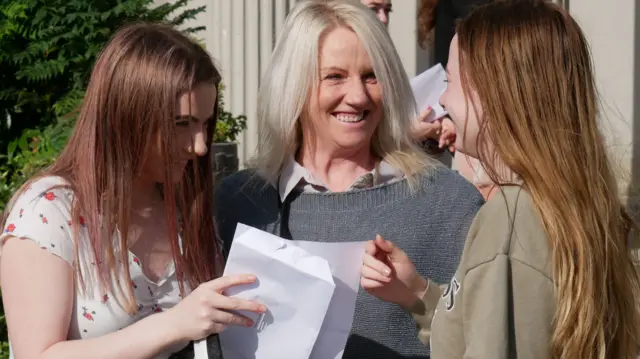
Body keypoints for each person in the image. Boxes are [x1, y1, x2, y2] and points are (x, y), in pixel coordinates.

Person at [361, 1, 640, 358]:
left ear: (494, 93)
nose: (443, 100)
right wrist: (417, 292)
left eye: (451, 81)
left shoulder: (509, 219)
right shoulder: (569, 201)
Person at [214, 1, 484, 358]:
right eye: (335, 76)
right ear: (292, 85)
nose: (357, 97)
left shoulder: (449, 203)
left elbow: (485, 339)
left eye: (372, 76)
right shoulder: (239, 203)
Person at [0, 23, 265, 359]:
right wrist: (172, 325)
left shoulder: (187, 208)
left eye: (205, 123)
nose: (199, 146)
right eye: (180, 124)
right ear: (125, 116)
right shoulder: (49, 212)